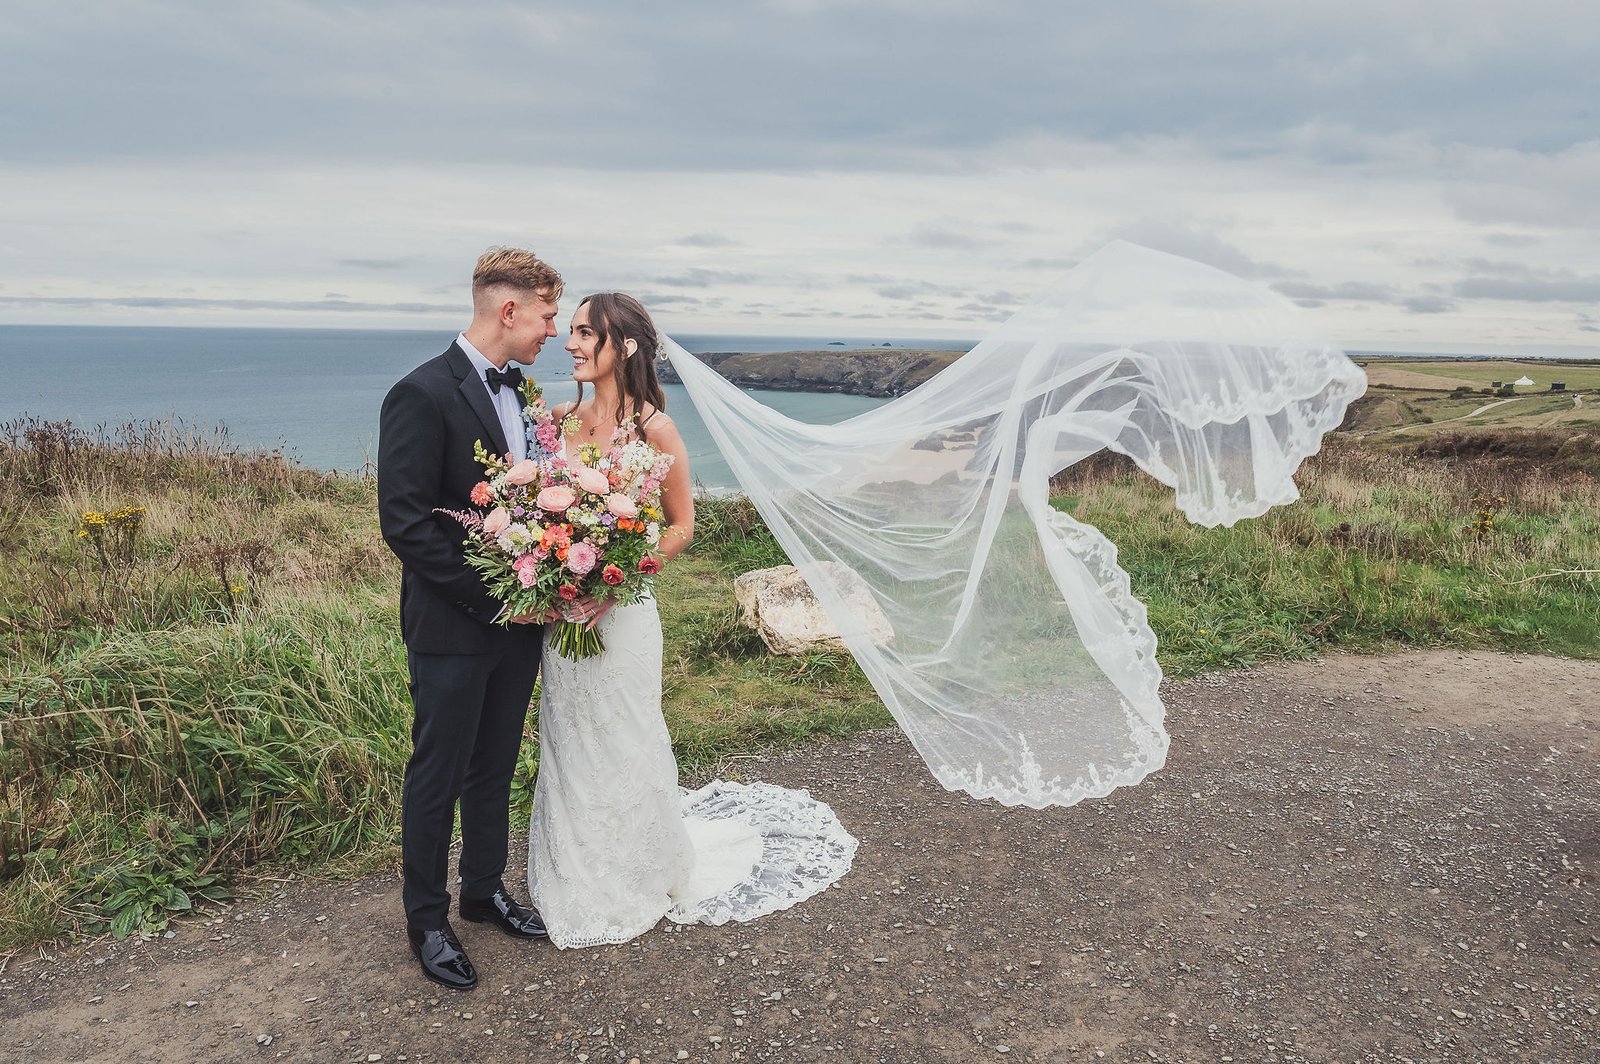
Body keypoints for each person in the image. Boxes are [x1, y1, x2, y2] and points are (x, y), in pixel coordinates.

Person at [526, 292, 857, 947]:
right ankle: (573, 873)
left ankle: (637, 870)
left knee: (624, 735)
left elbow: (682, 525)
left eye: (585, 332)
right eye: (568, 331)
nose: (570, 344)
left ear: (622, 346)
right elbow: (543, 511)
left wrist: (615, 581)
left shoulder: (654, 428)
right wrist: (557, 565)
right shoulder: (557, 421)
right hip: (563, 615)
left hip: (621, 616)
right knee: (568, 737)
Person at [377, 247, 563, 989]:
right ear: (508, 309)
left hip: (520, 625)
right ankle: (427, 921)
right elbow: (407, 522)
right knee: (438, 773)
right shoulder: (420, 393)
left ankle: (482, 893)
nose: (553, 328)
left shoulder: (525, 395)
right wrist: (496, 598)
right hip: (455, 625)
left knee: (495, 767)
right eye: (547, 314)